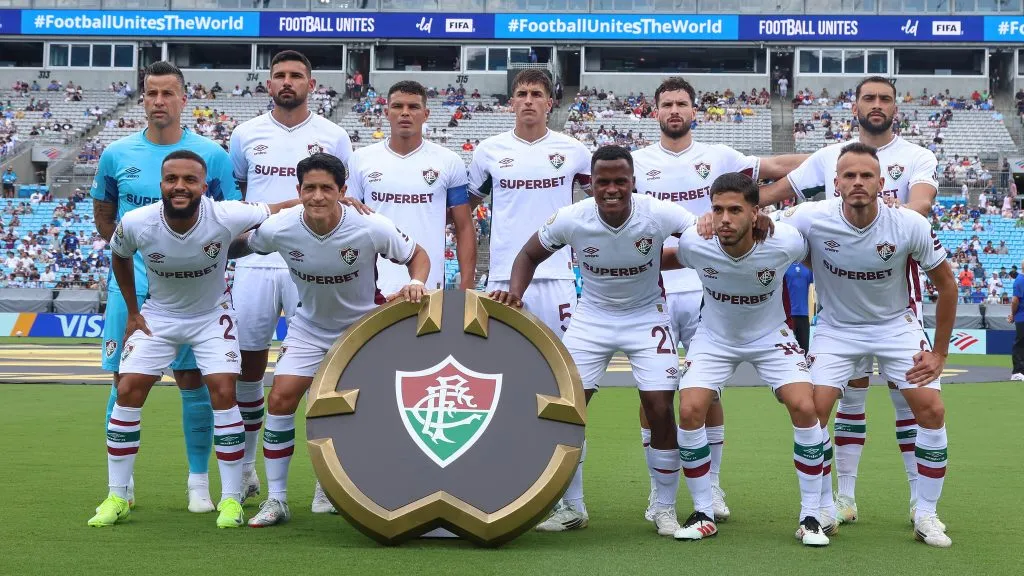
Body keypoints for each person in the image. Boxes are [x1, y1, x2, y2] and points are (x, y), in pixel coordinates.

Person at [758, 76, 939, 524]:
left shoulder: (917, 155)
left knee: (908, 402)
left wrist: (888, 221)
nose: (876, 105)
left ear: (897, 107)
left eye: (885, 99)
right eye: (868, 98)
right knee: (850, 400)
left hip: (897, 302)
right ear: (854, 105)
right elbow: (773, 197)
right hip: (840, 308)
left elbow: (920, 207)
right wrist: (730, 211)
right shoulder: (827, 157)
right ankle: (843, 498)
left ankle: (920, 504)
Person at [490, 145, 696, 536]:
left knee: (658, 406)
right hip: (592, 318)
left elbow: (701, 233)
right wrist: (516, 292)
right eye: (603, 182)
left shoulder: (658, 211)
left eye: (621, 181)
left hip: (645, 315)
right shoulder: (572, 219)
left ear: (634, 182)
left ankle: (664, 507)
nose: (612, 189)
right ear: (590, 186)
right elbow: (528, 254)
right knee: (569, 408)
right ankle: (573, 508)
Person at [88, 150, 298, 529]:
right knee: (128, 390)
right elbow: (119, 255)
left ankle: (231, 500)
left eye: (189, 180)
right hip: (158, 316)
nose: (179, 187)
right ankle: (117, 495)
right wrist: (134, 312)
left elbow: (278, 207)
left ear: (203, 185)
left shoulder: (225, 214)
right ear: (162, 185)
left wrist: (328, 198)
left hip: (210, 316)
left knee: (222, 391)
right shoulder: (137, 221)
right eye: (172, 180)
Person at [632, 76, 809, 521]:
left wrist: (829, 161)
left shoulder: (721, 157)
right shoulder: (636, 163)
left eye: (682, 104)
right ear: (654, 112)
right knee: (652, 393)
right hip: (652, 290)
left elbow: (776, 169)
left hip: (706, 287)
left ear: (695, 111)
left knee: (704, 394)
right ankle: (660, 494)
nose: (674, 110)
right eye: (666, 104)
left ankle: (710, 486)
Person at [230, 153, 430, 527]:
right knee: (280, 397)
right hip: (307, 328)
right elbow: (242, 245)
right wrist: (219, 228)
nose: (317, 196)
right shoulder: (281, 226)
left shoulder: (370, 226)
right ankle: (276, 500)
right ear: (298, 191)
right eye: (310, 188)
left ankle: (347, 487)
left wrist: (416, 281)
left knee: (368, 410)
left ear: (342, 191)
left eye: (326, 188)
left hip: (361, 330)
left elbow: (417, 254)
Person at [778, 143, 957, 547]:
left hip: (896, 328)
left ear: (881, 182)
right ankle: (822, 508)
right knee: (814, 412)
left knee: (931, 408)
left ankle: (926, 513)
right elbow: (763, 229)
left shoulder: (908, 223)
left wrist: (940, 352)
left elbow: (947, 285)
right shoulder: (811, 217)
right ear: (836, 183)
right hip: (836, 330)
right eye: (848, 176)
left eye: (866, 176)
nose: (857, 182)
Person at [90, 60, 240, 513]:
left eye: (167, 93)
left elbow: (231, 220)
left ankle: (198, 482)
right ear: (142, 99)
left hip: (194, 290)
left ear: (183, 99)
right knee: (124, 379)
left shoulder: (211, 154)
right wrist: (143, 250)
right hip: (133, 285)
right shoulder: (117, 154)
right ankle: (123, 488)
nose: (158, 102)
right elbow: (105, 216)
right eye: (151, 93)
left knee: (193, 378)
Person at [661, 172, 827, 546]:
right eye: (717, 209)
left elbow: (823, 251)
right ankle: (704, 511)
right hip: (715, 337)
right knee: (689, 410)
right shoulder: (695, 243)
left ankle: (812, 516)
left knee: (805, 405)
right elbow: (666, 259)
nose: (724, 218)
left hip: (771, 335)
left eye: (735, 210)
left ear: (755, 212)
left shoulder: (785, 241)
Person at [228, 49, 353, 512]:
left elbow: (345, 195)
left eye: (296, 76)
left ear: (311, 84)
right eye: (279, 75)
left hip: (312, 263)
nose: (287, 82)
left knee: (324, 369)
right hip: (259, 261)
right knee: (249, 363)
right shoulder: (245, 135)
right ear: (268, 84)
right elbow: (239, 197)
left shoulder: (332, 135)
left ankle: (327, 477)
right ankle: (244, 469)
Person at [469, 68, 590, 337]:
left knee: (562, 362)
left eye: (536, 94)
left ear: (549, 103)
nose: (528, 100)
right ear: (511, 103)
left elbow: (603, 201)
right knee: (502, 363)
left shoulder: (575, 151)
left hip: (557, 275)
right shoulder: (488, 151)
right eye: (521, 94)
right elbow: (465, 208)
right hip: (502, 275)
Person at [347, 80, 476, 294]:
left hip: (428, 286)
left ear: (426, 114)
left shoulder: (449, 161)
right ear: (387, 112)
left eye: (413, 107)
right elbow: (350, 224)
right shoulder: (360, 159)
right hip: (373, 287)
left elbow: (464, 227)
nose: (405, 113)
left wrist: (467, 289)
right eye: (398, 106)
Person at [785, 260, 814, 352]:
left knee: (804, 349)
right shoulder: (784, 265)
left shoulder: (807, 267)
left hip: (803, 314)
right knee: (788, 350)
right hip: (787, 316)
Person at [1009, 258, 1024, 381]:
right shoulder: (1019, 281)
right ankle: (1017, 371)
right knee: (1020, 343)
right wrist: (1013, 315)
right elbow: (1015, 300)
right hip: (1022, 317)